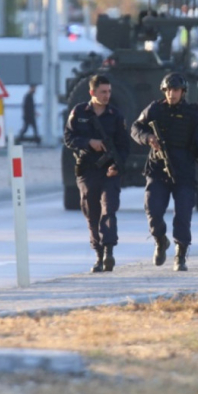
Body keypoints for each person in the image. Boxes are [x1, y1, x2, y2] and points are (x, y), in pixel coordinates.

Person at [131, 72, 198, 272]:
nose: (171, 94)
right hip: (158, 169)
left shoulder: (194, 114)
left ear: (183, 92)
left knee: (183, 214)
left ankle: (181, 253)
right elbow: (135, 128)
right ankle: (160, 240)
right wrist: (148, 137)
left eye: (175, 90)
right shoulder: (155, 109)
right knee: (153, 209)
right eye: (168, 90)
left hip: (184, 170)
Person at [64, 75, 130, 273]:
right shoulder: (78, 112)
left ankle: (109, 251)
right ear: (92, 92)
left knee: (108, 209)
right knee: (91, 213)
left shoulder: (115, 116)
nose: (107, 95)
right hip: (87, 169)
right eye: (103, 92)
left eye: (109, 91)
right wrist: (88, 142)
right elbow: (68, 138)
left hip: (109, 171)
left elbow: (124, 146)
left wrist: (117, 166)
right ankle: (98, 255)